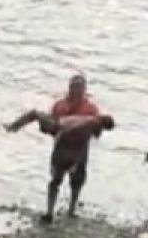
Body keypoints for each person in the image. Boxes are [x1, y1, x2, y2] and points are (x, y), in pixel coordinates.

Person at [7, 74, 101, 222]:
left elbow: (96, 132)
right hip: (62, 147)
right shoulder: (60, 106)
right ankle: (50, 211)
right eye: (74, 86)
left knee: (76, 182)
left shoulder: (91, 109)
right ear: (69, 88)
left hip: (79, 149)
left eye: (79, 87)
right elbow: (52, 127)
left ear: (84, 90)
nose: (76, 90)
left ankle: (71, 209)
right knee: (56, 180)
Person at [5, 109, 115, 224]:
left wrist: (60, 136)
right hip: (61, 131)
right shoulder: (91, 124)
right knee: (61, 180)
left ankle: (53, 213)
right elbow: (76, 133)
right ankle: (67, 211)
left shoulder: (91, 123)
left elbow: (73, 131)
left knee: (57, 181)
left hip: (61, 132)